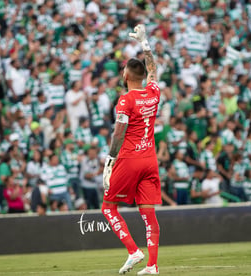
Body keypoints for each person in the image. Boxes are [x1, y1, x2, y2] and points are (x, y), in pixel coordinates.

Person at [101, 25, 161, 275]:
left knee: (108, 207)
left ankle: (133, 250)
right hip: (150, 159)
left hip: (130, 158)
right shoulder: (153, 92)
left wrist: (109, 160)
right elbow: (153, 71)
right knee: (148, 213)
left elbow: (118, 132)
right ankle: (152, 265)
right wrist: (146, 43)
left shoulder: (126, 100)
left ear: (126, 75)